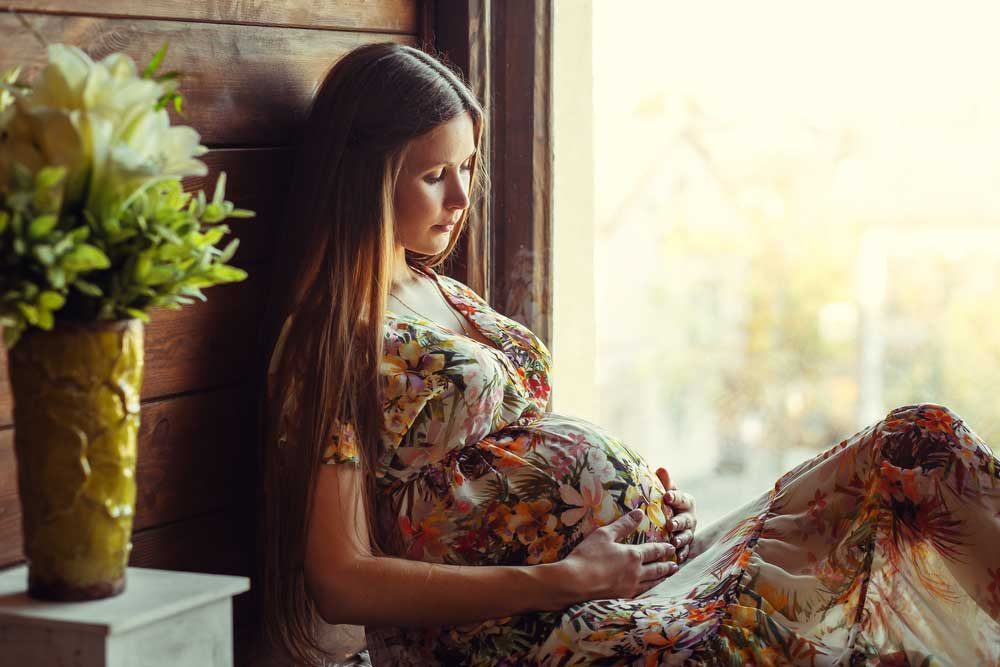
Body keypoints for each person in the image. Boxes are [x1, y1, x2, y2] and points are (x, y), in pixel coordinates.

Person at [256, 42, 1000, 666]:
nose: (461, 198)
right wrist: (555, 577)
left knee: (917, 442)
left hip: (623, 585)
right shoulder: (329, 339)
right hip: (528, 630)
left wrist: (642, 507)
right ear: (367, 177)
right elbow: (340, 578)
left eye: (469, 166)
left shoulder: (438, 289)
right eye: (433, 175)